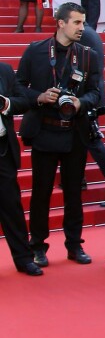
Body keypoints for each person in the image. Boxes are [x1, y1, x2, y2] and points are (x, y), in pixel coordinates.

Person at [16, 2, 100, 268]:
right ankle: (38, 245)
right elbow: (19, 88)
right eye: (77, 22)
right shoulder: (36, 51)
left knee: (74, 193)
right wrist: (39, 97)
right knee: (41, 193)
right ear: (61, 23)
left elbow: (96, 93)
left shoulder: (88, 55)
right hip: (44, 132)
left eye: (83, 23)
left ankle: (74, 245)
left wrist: (80, 103)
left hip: (75, 133)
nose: (82, 28)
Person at [0, 63, 43, 276]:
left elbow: (24, 101)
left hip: (3, 151)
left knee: (11, 207)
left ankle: (24, 258)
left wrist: (6, 103)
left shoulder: (4, 71)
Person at [77, 26, 105, 209]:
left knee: (93, 142)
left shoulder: (85, 35)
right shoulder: (88, 33)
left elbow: (91, 71)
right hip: (88, 97)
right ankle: (78, 179)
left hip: (88, 98)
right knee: (80, 140)